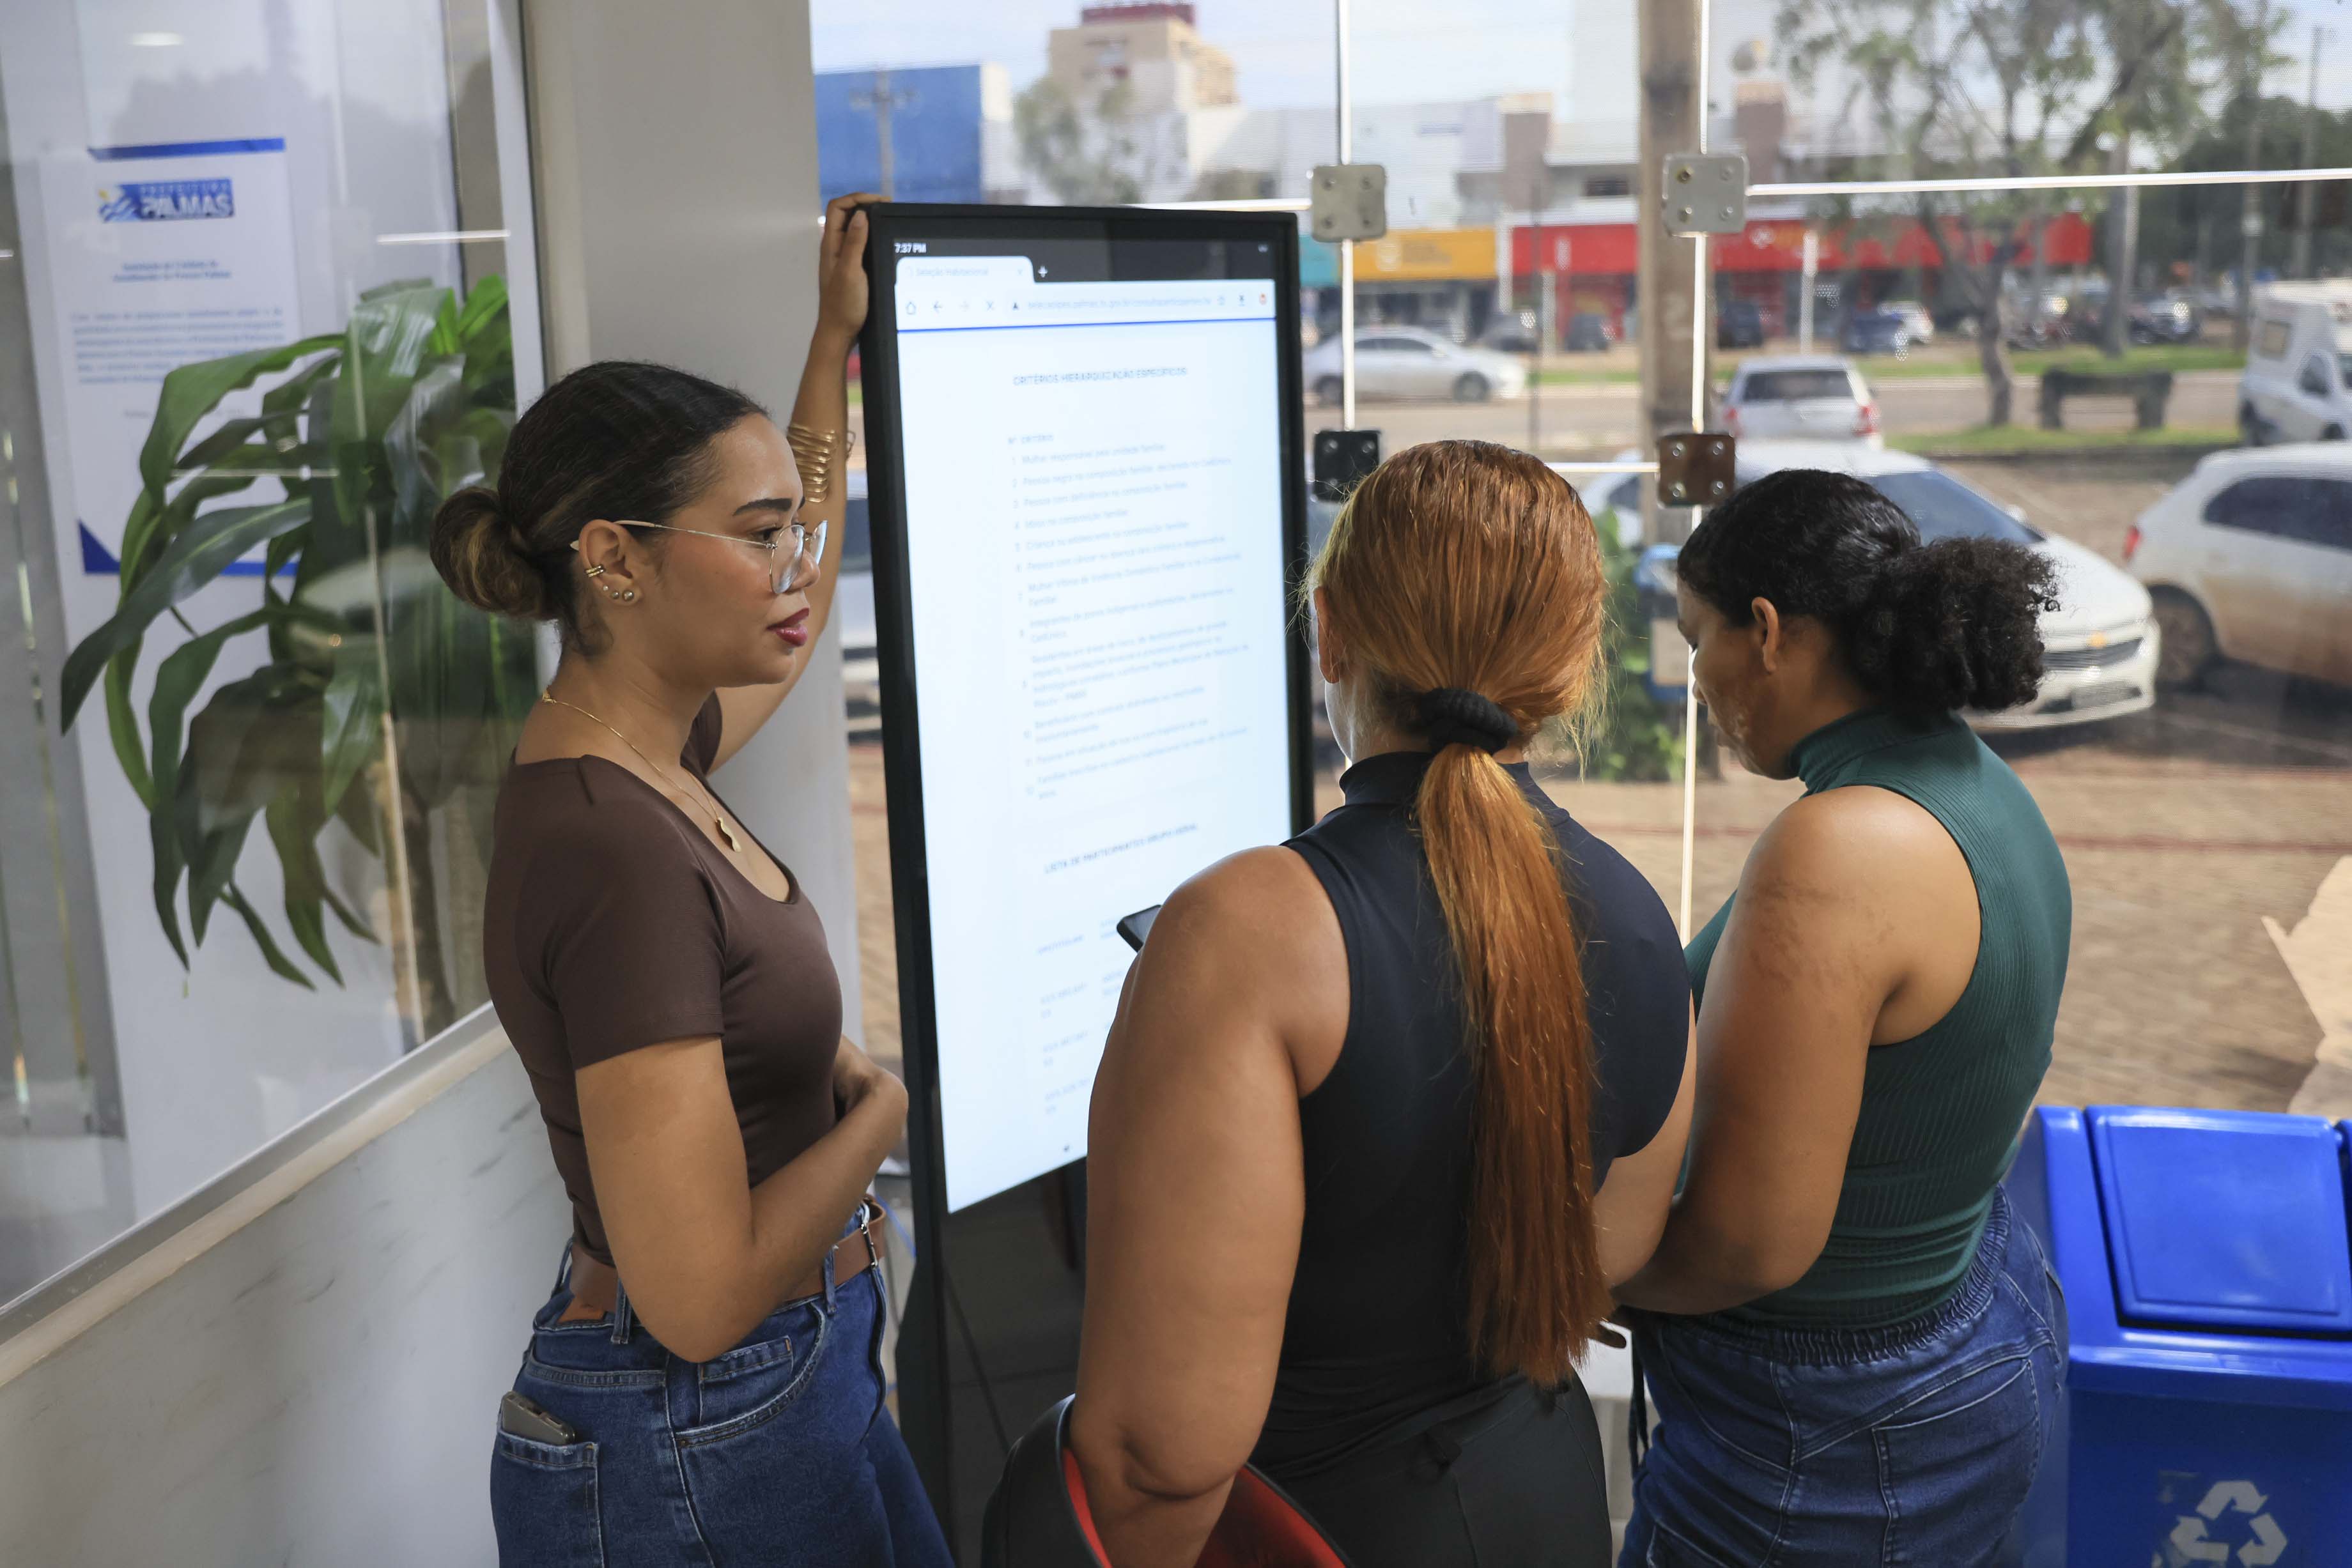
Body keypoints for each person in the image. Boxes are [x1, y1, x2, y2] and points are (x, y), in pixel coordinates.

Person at [431, 194, 950, 1568]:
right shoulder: (616, 850)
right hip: (703, 1427)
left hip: (771, 1394)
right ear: (612, 557)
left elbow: (810, 584)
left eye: (790, 527)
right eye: (756, 532)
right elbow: (704, 1295)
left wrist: (830, 347)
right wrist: (884, 1111)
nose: (793, 567)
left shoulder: (650, 757)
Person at [1067, 440, 1697, 1568]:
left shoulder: (1251, 929)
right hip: (1540, 1499)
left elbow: (1158, 1453)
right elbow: (1611, 1248)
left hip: (1305, 1531)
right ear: (1569, 665)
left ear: (1332, 634)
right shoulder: (1643, 922)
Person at [1615, 468, 2073, 1564]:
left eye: (1695, 638)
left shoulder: (1837, 850)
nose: (1696, 678)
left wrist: (1574, 1277)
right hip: (1968, 1321)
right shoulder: (1970, 784)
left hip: (1827, 1426)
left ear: (1766, 631)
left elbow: (1748, 1243)